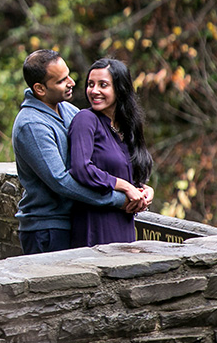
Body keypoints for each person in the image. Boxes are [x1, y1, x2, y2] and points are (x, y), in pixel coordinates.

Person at [11, 49, 149, 254]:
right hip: (47, 228)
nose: (72, 82)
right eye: (61, 80)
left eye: (68, 75)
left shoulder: (68, 110)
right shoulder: (31, 125)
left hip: (75, 221)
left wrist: (139, 189)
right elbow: (61, 181)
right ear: (40, 89)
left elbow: (102, 159)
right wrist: (120, 199)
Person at [68, 58, 154, 246]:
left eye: (103, 85)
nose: (94, 90)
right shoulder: (86, 120)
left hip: (123, 223)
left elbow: (126, 169)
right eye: (90, 84)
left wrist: (143, 190)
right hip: (95, 225)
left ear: (120, 89)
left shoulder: (127, 127)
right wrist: (125, 186)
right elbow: (80, 168)